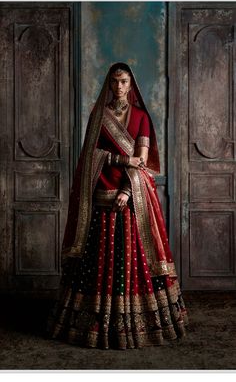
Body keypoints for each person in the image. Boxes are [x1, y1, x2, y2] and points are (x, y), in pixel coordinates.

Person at [47, 62, 188, 350]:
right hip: (101, 191)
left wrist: (126, 188)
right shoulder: (99, 115)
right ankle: (95, 323)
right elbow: (89, 157)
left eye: (124, 81)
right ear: (109, 84)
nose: (119, 87)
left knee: (131, 258)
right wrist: (120, 161)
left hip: (130, 194)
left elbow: (143, 161)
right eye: (114, 82)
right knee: (98, 258)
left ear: (131, 84)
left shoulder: (140, 118)